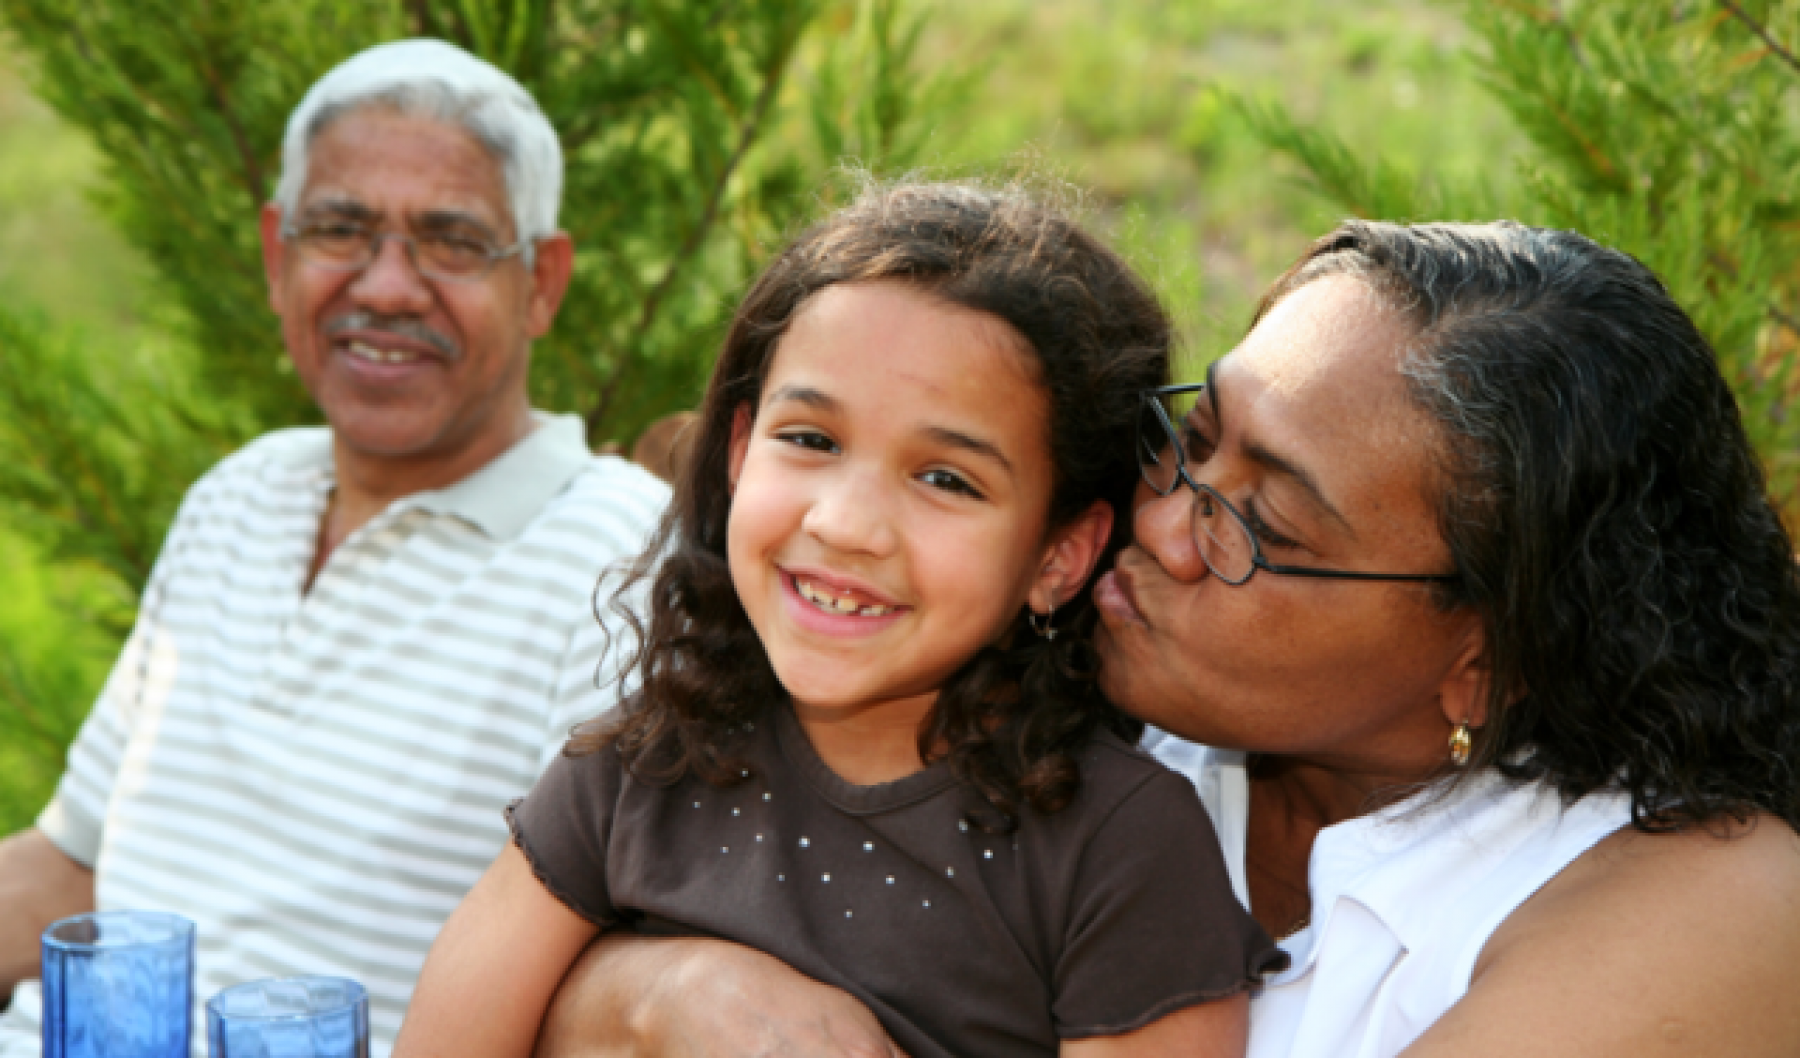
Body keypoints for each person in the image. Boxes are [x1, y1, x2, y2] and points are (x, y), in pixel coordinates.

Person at [524, 220, 1800, 1057]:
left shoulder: (1715, 897)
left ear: (1488, 652)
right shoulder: (1048, 714)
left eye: (1260, 524)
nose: (1159, 525)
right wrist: (664, 995)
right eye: (1193, 441)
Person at [395, 182, 1283, 1058]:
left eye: (946, 480)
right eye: (811, 440)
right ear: (740, 451)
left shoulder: (1120, 851)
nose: (845, 525)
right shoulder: (638, 770)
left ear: (1058, 557)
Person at [0, 39, 668, 1056]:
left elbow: (601, 987)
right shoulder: (241, 490)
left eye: (451, 240)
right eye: (341, 229)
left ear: (543, 282)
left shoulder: (620, 557)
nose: (388, 286)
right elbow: (77, 859)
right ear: (278, 257)